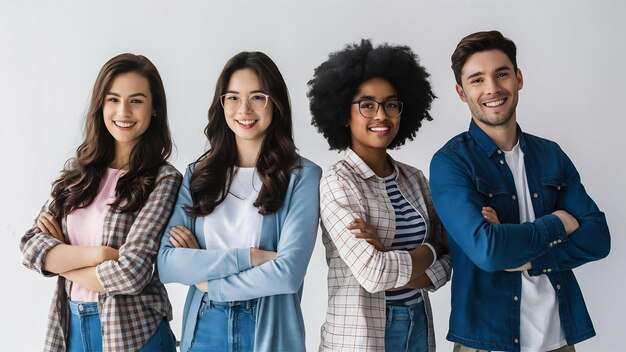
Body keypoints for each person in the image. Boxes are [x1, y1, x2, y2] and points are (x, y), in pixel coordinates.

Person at [429, 30, 611, 352]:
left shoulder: (551, 154)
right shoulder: (450, 163)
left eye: (501, 74)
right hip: (486, 342)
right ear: (461, 92)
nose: (492, 89)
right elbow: (489, 252)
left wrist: (529, 260)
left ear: (519, 78)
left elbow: (599, 238)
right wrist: (559, 223)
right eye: (477, 80)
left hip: (559, 339)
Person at [157, 51, 321, 352]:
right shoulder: (197, 175)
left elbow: (287, 275)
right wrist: (253, 257)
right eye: (232, 97)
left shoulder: (302, 177)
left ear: (276, 103)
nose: (244, 109)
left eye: (257, 97)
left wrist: (208, 281)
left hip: (267, 326)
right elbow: (168, 264)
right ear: (221, 105)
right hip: (206, 325)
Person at [20, 53, 182, 351]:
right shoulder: (79, 173)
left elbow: (131, 274)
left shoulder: (163, 179)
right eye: (113, 99)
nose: (123, 111)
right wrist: (102, 253)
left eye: (136, 100)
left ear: (154, 108)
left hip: (134, 334)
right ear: (101, 104)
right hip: (70, 327)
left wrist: (60, 260)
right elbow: (31, 247)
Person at [308, 39, 451, 352]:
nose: (381, 115)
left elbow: (451, 262)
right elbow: (373, 274)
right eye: (367, 104)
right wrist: (432, 247)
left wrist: (400, 262)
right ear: (344, 113)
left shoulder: (414, 179)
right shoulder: (338, 181)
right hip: (358, 335)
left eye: (391, 104)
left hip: (417, 325)